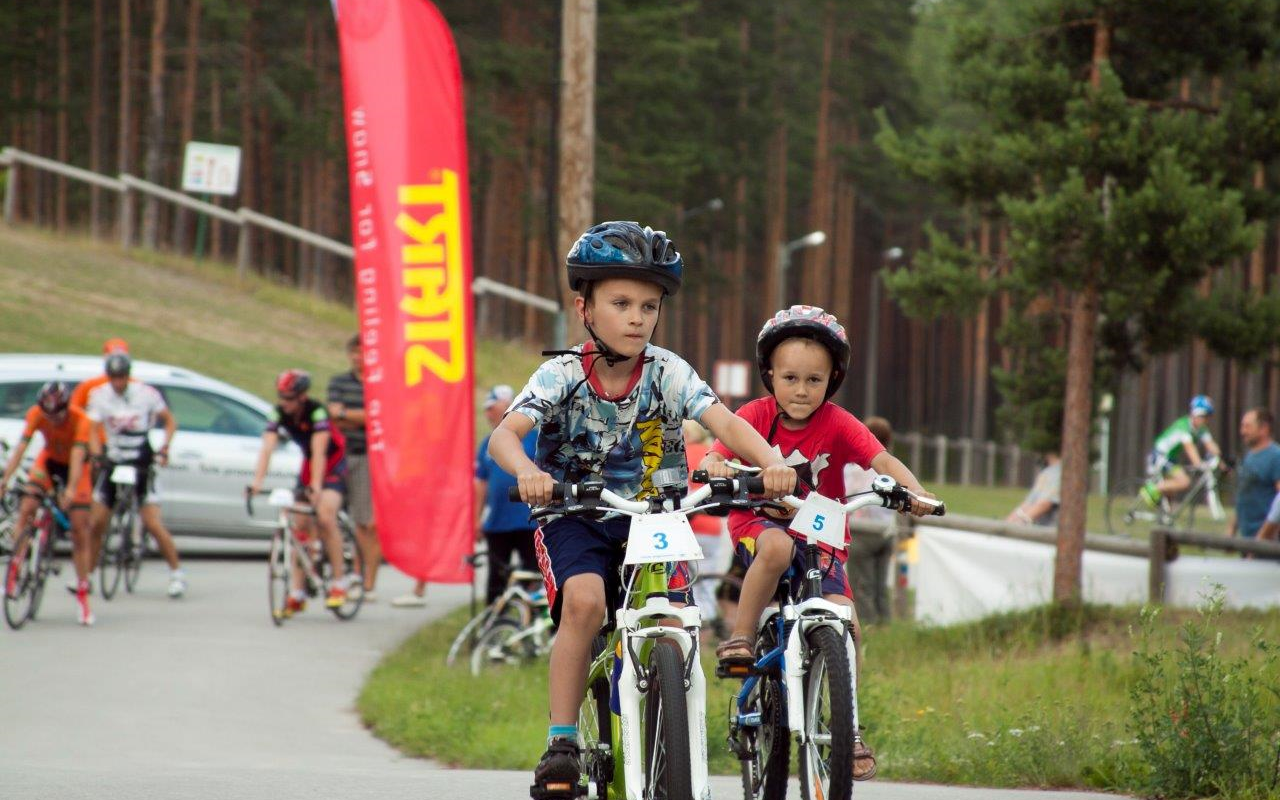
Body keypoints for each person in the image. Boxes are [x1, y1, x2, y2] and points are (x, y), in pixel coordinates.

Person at [489, 220, 797, 798]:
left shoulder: (668, 371)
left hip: (656, 521)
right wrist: (530, 473)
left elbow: (724, 422)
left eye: (649, 306)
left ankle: (666, 714)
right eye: (621, 302)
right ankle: (561, 743)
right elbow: (505, 436)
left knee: (674, 615)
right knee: (585, 602)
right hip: (576, 514)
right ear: (585, 308)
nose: (637, 317)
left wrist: (773, 462)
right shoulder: (560, 374)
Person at [700, 304, 937, 782]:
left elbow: (882, 460)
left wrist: (917, 492)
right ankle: (741, 637)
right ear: (769, 375)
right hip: (759, 523)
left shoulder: (839, 422)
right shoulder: (754, 415)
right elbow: (715, 452)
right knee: (776, 550)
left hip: (821, 532)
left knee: (846, 620)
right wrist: (716, 467)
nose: (802, 390)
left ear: (833, 379)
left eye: (814, 379)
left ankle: (847, 731)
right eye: (790, 378)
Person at [247, 369, 350, 615]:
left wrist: (315, 485)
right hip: (308, 465)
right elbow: (267, 448)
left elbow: (319, 451)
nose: (285, 402)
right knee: (299, 527)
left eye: (290, 398)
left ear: (303, 396)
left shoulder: (317, 411)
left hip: (332, 463)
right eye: (281, 397)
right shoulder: (279, 411)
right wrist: (257, 482)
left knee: (325, 516)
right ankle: (297, 591)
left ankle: (339, 582)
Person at [85, 354, 187, 599]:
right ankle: (86, 576)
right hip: (114, 459)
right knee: (97, 521)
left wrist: (164, 448)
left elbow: (170, 421)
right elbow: (91, 429)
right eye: (113, 378)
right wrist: (97, 455)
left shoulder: (146, 394)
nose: (118, 383)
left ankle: (176, 574)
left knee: (152, 522)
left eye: (121, 378)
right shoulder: (99, 395)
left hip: (141, 459)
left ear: (128, 375)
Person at [1, 382, 97, 625]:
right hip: (49, 460)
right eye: (48, 415)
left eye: (58, 415)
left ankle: (83, 596)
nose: (52, 420)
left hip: (75, 468)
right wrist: (5, 479)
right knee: (28, 505)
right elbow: (22, 447)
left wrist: (72, 490)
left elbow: (77, 456)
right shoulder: (36, 414)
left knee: (79, 527)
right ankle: (17, 565)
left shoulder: (80, 420)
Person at [470, 385, 540, 605]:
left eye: (492, 408)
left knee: (533, 576)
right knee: (496, 579)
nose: (488, 413)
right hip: (497, 523)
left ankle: (533, 624)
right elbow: (481, 483)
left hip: (529, 522)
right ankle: (494, 625)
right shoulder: (487, 444)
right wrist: (476, 519)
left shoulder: (535, 438)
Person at [328, 334, 380, 601]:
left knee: (366, 522)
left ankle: (366, 580)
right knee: (335, 516)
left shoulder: (378, 383)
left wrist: (347, 415)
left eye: (364, 352)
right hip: (341, 455)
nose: (359, 358)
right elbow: (333, 415)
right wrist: (360, 417)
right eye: (355, 353)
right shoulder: (339, 383)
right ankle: (346, 575)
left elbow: (380, 418)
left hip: (369, 456)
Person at [844, 416, 897, 626]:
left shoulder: (857, 469)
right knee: (880, 585)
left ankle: (868, 625)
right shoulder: (892, 468)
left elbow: (846, 493)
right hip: (886, 531)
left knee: (861, 584)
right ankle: (885, 624)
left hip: (862, 532)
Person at [683, 419, 729, 630]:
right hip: (712, 525)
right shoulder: (712, 454)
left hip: (689, 525)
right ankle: (710, 627)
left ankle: (696, 628)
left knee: (688, 581)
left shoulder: (684, 454)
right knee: (707, 584)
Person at [1142, 395, 1221, 506]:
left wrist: (1221, 461)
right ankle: (1151, 489)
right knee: (1184, 482)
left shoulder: (1201, 429)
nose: (1207, 420)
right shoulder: (1183, 427)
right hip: (1160, 456)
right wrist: (1200, 464)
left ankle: (1165, 518)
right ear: (1197, 414)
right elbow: (1190, 449)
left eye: (1209, 417)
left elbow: (1211, 445)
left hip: (1170, 458)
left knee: (1170, 493)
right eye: (1205, 416)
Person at [1230, 407, 1280, 542]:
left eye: (1247, 427)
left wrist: (1265, 537)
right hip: (1247, 538)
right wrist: (1232, 530)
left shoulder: (1276, 457)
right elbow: (1243, 496)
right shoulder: (1249, 456)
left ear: (1264, 429)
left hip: (1267, 542)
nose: (1242, 431)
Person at [69, 337, 131, 412]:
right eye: (113, 358)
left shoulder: (137, 386)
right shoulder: (89, 386)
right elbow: (73, 412)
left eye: (121, 358)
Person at [1006, 449, 1062, 527]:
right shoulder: (1048, 472)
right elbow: (1028, 504)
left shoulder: (1059, 472)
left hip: (1051, 534)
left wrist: (1019, 524)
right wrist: (1007, 524)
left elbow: (1045, 504)